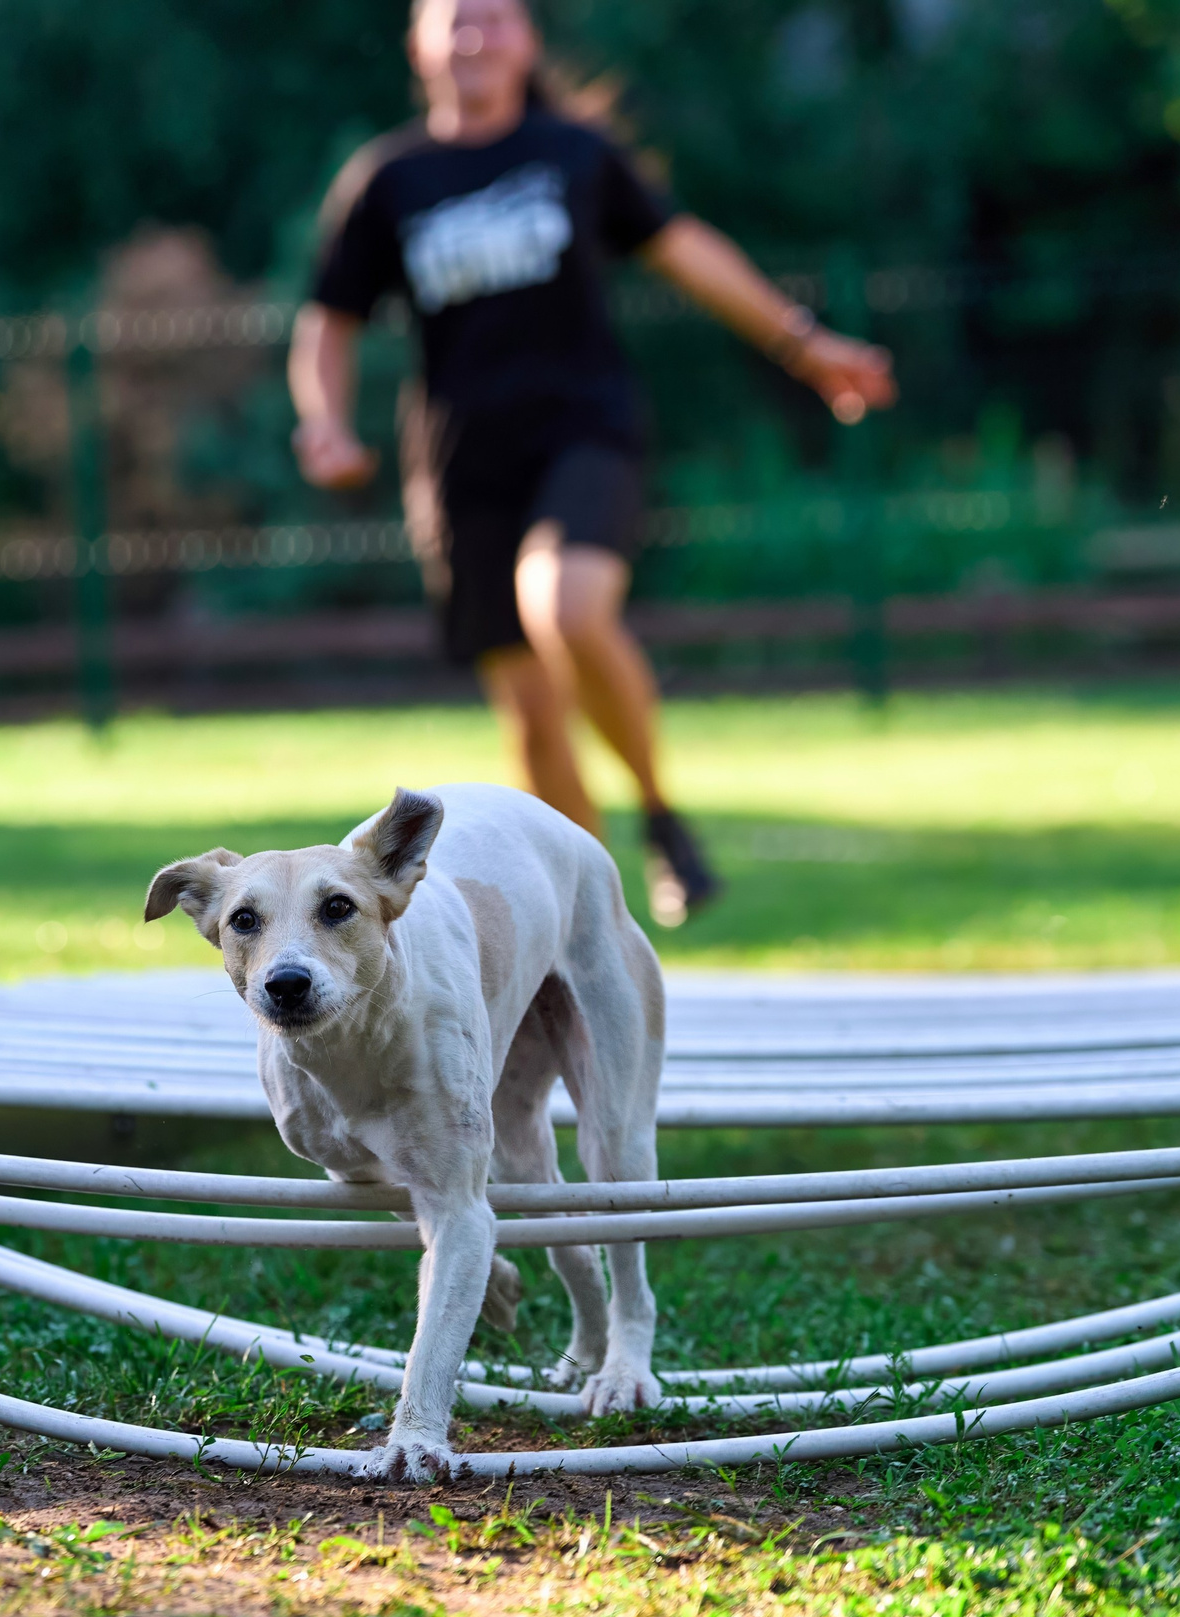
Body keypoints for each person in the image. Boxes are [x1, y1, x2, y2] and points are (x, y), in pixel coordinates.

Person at [288, 0, 896, 926]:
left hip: (585, 429)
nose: (473, 37)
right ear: (419, 46)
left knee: (566, 606)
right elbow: (327, 322)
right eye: (453, 21)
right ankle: (592, 921)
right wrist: (324, 422)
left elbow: (686, 249)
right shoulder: (389, 176)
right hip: (461, 468)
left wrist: (803, 345)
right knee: (531, 718)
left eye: (493, 19)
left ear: (527, 40)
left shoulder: (572, 152)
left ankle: (662, 813)